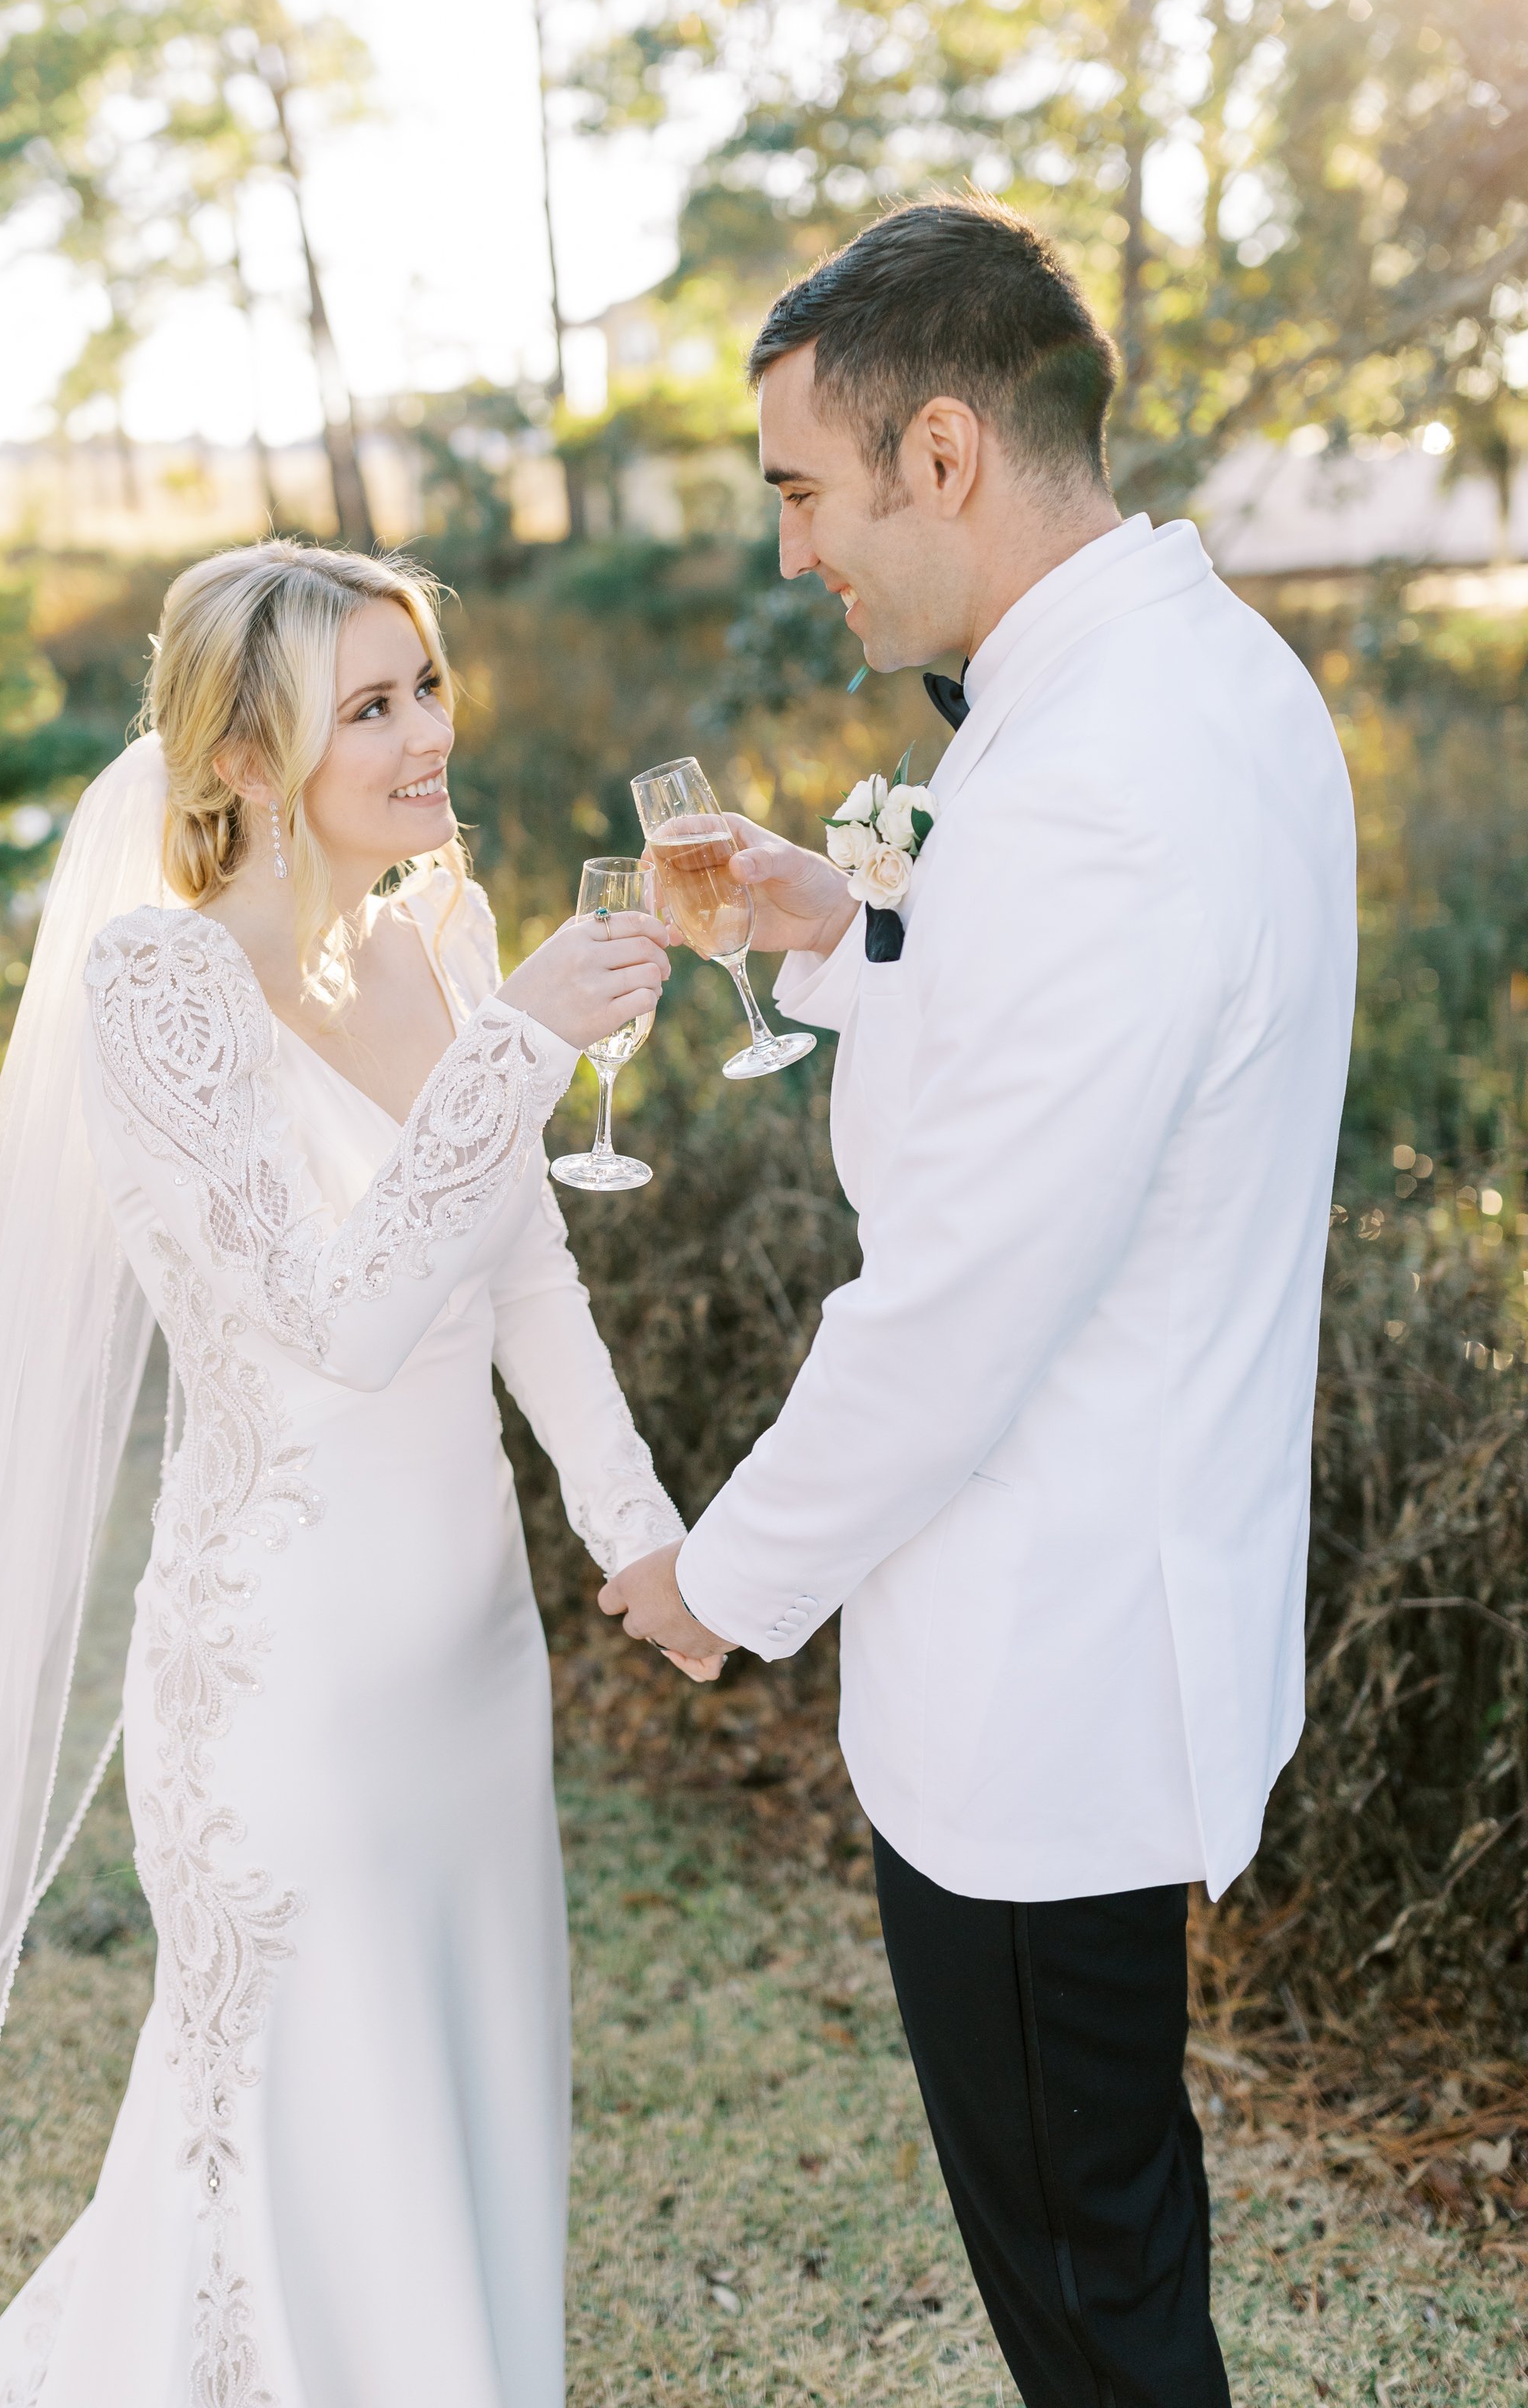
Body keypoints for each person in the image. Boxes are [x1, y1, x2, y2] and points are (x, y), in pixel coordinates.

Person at [0, 542, 701, 2408]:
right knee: (297, 2118)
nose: (426, 735)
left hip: (468, 1657)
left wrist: (641, 1532)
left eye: (427, 687)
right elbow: (332, 1323)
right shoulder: (157, 991)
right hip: (284, 1675)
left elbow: (515, 1271)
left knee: (460, 2089)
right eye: (369, 706)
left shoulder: (439, 937)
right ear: (243, 756)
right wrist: (525, 1047)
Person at [602, 193, 1357, 2406]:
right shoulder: (1179, 675)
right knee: (1109, 2257)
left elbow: (961, 1301)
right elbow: (1084, 1074)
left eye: (805, 495)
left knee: (1099, 2316)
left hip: (1050, 1683)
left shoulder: (1105, 780)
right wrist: (853, 931)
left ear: (941, 455)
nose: (791, 553)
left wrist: (724, 1580)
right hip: (1114, 1620)